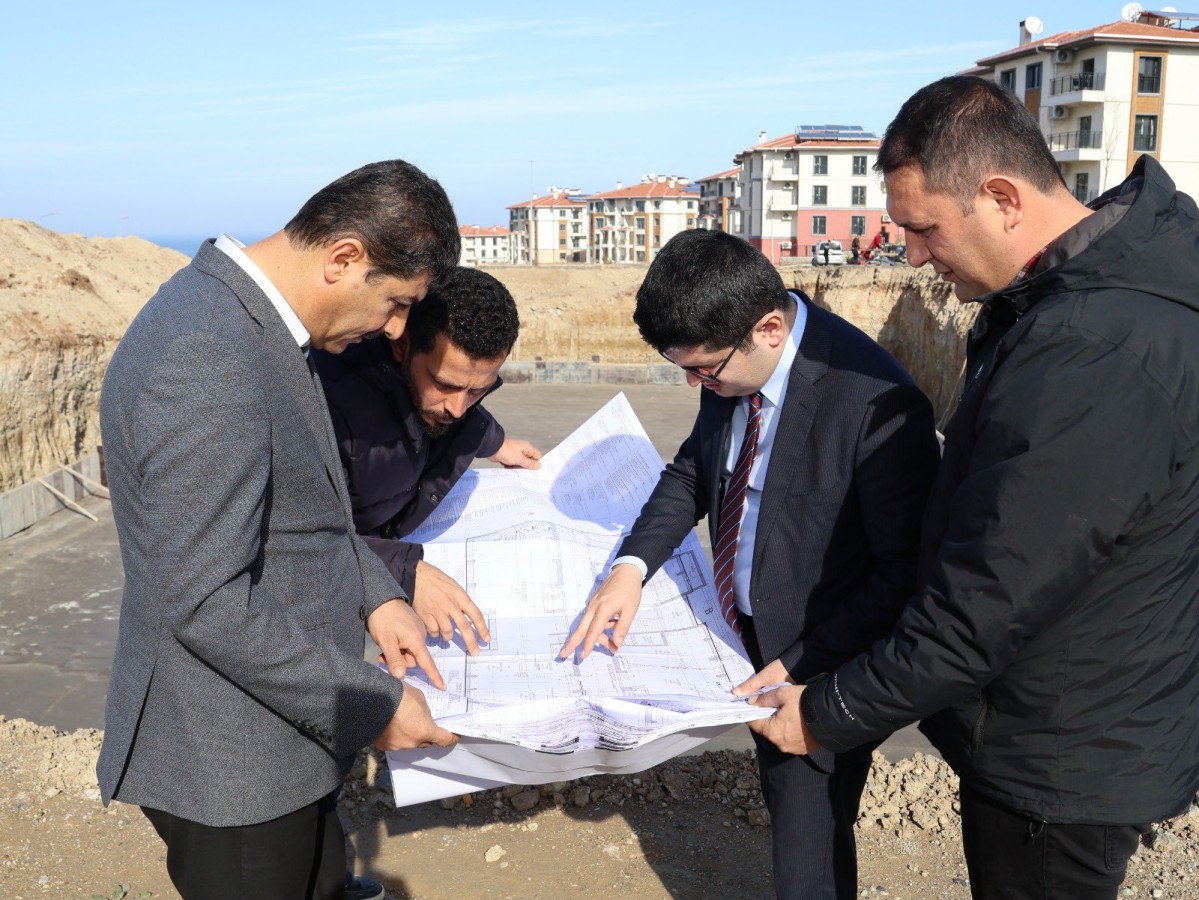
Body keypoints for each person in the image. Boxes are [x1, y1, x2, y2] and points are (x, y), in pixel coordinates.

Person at [749, 75, 1199, 899]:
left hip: (1062, 753)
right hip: (1067, 715)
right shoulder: (1065, 300)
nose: (914, 256)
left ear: (1000, 198)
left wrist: (826, 711)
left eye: (924, 229)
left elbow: (987, 599)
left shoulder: (1092, 352)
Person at [97, 161, 461, 900]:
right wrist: (370, 702)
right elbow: (204, 603)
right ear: (344, 258)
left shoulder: (251, 325)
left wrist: (377, 594)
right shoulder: (208, 352)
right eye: (396, 303)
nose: (396, 328)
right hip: (231, 765)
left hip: (280, 738)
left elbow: (303, 512)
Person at [559, 229, 940, 900]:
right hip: (742, 636)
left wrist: (799, 664)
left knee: (808, 837)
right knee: (788, 803)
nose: (696, 384)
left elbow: (900, 572)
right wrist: (631, 567)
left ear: (768, 329)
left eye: (705, 371)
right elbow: (693, 470)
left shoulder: (874, 400)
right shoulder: (734, 354)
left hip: (820, 655)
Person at [315, 266, 541, 652]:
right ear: (402, 346)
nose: (458, 408)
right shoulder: (328, 405)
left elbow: (460, 417)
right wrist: (405, 573)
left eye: (478, 391)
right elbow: (298, 535)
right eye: (445, 384)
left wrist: (496, 443)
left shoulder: (448, 401)